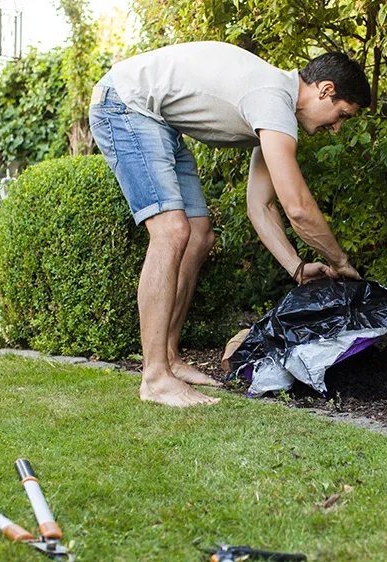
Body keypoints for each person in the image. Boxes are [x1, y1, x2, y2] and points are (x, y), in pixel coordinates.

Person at [89, 41, 369, 407]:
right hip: (125, 104)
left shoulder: (275, 110)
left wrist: (298, 269)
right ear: (325, 90)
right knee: (171, 231)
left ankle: (169, 358)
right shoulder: (272, 97)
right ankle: (155, 377)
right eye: (342, 115)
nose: (337, 128)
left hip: (158, 122)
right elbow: (297, 208)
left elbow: (260, 207)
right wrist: (341, 262)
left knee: (199, 236)